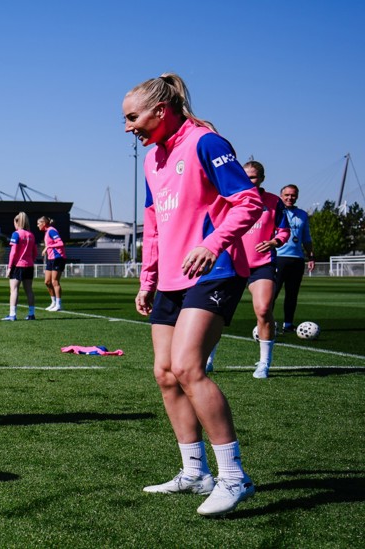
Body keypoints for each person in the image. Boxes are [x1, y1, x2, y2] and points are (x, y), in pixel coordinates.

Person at [123, 74, 263, 515]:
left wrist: (212, 243)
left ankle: (235, 477)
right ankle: (194, 472)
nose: (128, 127)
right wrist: (148, 278)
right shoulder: (152, 161)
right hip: (170, 278)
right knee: (165, 373)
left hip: (214, 270)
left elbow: (249, 201)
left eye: (133, 117)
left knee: (188, 367)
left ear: (160, 111)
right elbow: (155, 224)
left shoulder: (206, 142)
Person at [206, 161, 290, 378]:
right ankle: (208, 359)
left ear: (262, 178)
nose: (249, 181)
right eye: (245, 177)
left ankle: (264, 362)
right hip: (231, 261)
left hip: (261, 264)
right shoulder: (230, 199)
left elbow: (283, 231)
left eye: (253, 177)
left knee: (263, 310)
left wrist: (274, 242)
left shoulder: (273, 202)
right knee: (216, 314)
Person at [273, 184, 315, 334]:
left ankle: (288, 324)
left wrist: (310, 256)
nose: (290, 198)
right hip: (278, 257)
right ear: (281, 196)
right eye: (287, 195)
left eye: (293, 195)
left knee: (292, 294)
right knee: (273, 292)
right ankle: (266, 322)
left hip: (297, 259)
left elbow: (306, 237)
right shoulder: (274, 211)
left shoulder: (302, 214)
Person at [2, 212, 37, 321]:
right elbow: (35, 252)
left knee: (14, 290)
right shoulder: (31, 235)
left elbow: (13, 252)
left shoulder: (16, 234)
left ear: (17, 222)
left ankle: (12, 314)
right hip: (29, 265)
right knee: (29, 290)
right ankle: (31, 314)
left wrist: (9, 267)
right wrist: (30, 260)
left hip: (18, 265)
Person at [37, 216, 66, 312]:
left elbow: (60, 243)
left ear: (44, 223)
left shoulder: (52, 230)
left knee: (55, 282)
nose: (37, 226)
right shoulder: (47, 232)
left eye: (38, 223)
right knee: (47, 282)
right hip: (51, 259)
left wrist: (48, 246)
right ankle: (53, 302)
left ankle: (59, 304)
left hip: (58, 258)